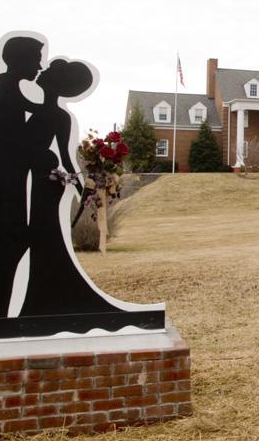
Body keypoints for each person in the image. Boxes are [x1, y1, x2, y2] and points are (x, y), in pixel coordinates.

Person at [14, 58, 163, 337]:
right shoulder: (34, 107)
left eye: (49, 71)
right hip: (32, 183)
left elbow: (69, 162)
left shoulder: (60, 117)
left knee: (46, 239)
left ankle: (45, 300)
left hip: (46, 186)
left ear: (57, 82)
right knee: (37, 239)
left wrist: (89, 185)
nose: (42, 72)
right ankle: (35, 301)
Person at [0, 35, 43, 337]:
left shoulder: (13, 93)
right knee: (6, 254)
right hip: (5, 191)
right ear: (18, 60)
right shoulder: (6, 96)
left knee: (14, 249)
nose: (40, 66)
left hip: (11, 189)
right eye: (36, 59)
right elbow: (18, 146)